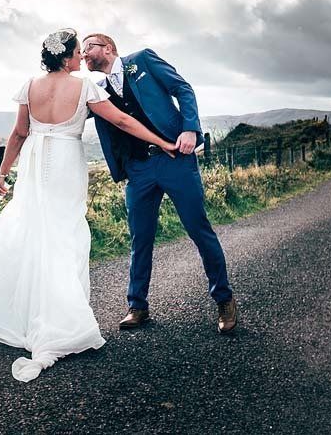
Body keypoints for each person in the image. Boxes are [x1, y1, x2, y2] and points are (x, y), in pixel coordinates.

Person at [0, 28, 177, 383]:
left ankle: (13, 307)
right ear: (67, 57)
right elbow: (122, 120)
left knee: (31, 228)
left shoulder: (29, 85)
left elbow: (18, 134)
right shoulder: (84, 87)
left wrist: (1, 175)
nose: (82, 57)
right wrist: (164, 142)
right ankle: (59, 319)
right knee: (63, 234)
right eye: (78, 53)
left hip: (35, 161)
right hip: (65, 161)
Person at [81, 33, 237, 335]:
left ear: (109, 48)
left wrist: (191, 129)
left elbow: (183, 88)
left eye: (88, 48)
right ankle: (137, 306)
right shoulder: (94, 89)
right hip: (138, 170)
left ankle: (224, 300)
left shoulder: (142, 60)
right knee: (140, 238)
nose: (84, 54)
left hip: (175, 160)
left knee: (198, 230)